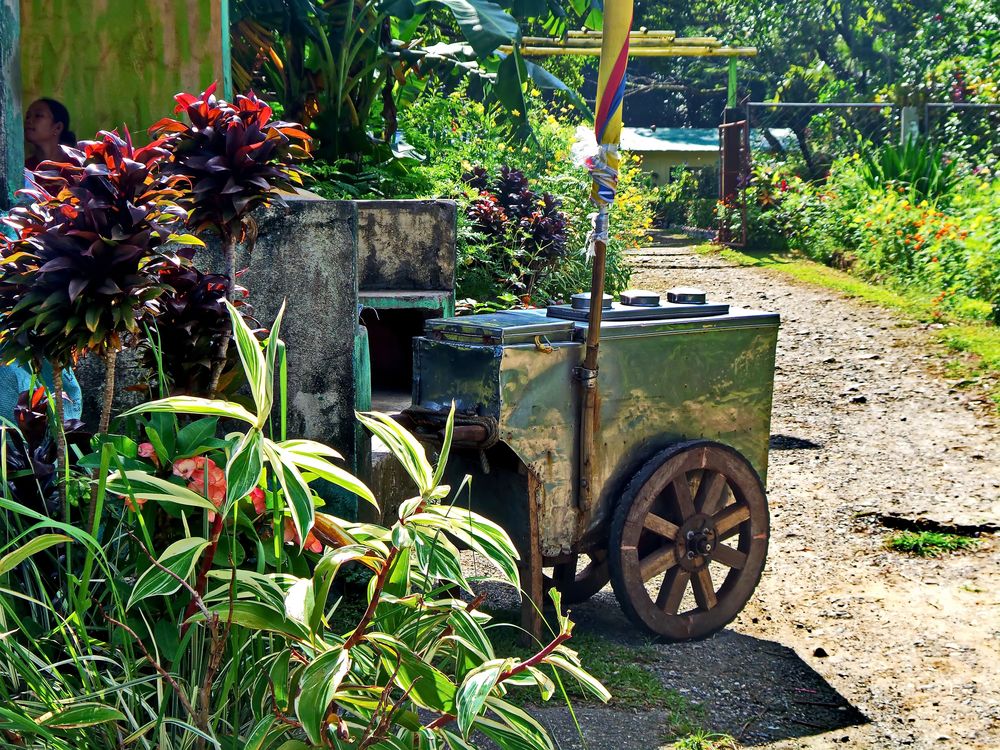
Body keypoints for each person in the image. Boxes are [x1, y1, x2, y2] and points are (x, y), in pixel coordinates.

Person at [24, 98, 75, 170]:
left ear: (58, 127)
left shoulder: (78, 168)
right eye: (27, 117)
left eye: (38, 115)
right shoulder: (25, 170)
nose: (28, 121)